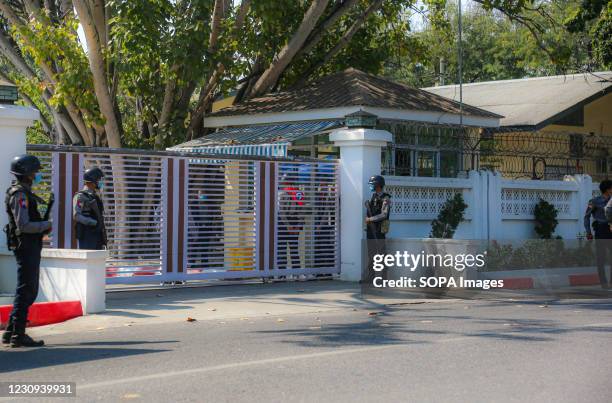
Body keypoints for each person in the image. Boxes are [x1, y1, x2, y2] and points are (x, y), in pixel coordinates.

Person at [2, 154, 51, 348]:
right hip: (26, 245)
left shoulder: (24, 192)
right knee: (27, 290)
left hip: (28, 245)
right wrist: (45, 225)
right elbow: (23, 225)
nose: (37, 175)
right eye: (35, 172)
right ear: (27, 173)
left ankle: (11, 331)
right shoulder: (19, 194)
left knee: (27, 289)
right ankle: (18, 334)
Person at [364, 175, 391, 284]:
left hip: (379, 231)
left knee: (381, 255)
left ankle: (384, 278)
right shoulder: (373, 197)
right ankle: (371, 277)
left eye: (372, 185)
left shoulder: (386, 198)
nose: (371, 186)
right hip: (371, 230)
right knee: (371, 255)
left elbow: (384, 214)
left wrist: (371, 219)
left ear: (378, 185)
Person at [585, 179, 612, 289]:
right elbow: (586, 217)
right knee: (601, 257)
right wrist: (588, 232)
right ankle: (603, 282)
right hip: (600, 230)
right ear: (607, 189)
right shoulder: (594, 201)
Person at [73, 167, 107, 250]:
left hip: (97, 234)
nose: (101, 182)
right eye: (99, 180)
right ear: (93, 180)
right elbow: (77, 215)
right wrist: (93, 223)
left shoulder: (95, 196)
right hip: (87, 235)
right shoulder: (81, 196)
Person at [277, 174, 304, 271]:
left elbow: (282, 211)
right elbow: (301, 211)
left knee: (282, 250)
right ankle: (296, 272)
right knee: (294, 249)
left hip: (283, 224)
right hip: (295, 222)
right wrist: (298, 226)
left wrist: (288, 226)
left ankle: (281, 274)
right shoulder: (298, 193)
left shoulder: (282, 193)